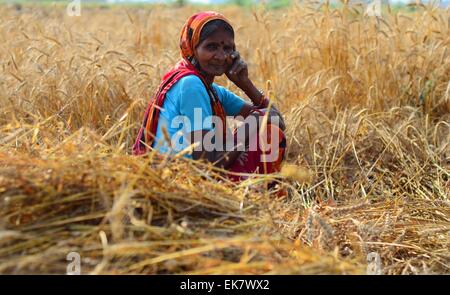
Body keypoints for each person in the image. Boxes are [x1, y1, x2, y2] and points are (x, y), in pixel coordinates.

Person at [133, 11, 286, 182]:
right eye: (211, 47)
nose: (221, 56)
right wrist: (252, 125)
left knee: (270, 131)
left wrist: (245, 83)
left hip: (190, 177)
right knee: (262, 130)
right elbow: (206, 164)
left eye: (227, 48)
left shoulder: (212, 91)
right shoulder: (191, 84)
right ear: (191, 48)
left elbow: (278, 120)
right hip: (179, 181)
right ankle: (253, 200)